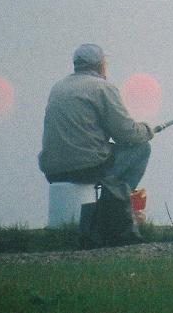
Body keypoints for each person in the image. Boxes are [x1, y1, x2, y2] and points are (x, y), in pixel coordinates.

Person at [39, 43, 154, 246]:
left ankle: (102, 212)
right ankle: (116, 210)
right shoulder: (102, 88)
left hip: (53, 170)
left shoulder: (58, 88)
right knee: (141, 149)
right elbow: (125, 133)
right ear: (101, 65)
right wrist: (147, 131)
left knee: (111, 152)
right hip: (86, 168)